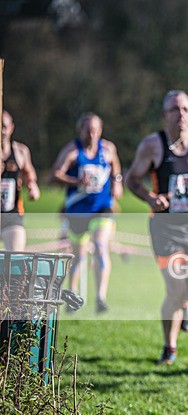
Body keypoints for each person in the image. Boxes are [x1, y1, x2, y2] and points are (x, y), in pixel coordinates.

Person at [125, 90, 188, 364]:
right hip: (165, 227)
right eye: (174, 109)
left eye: (185, 109)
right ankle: (169, 347)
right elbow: (132, 180)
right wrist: (150, 198)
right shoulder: (153, 145)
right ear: (165, 116)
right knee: (175, 289)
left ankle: (186, 307)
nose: (180, 114)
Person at [50, 112, 122, 312]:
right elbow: (55, 174)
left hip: (102, 208)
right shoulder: (73, 151)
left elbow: (115, 164)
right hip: (78, 210)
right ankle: (72, 295)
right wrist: (75, 181)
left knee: (100, 246)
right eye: (88, 130)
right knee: (78, 257)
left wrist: (117, 183)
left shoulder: (107, 149)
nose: (92, 135)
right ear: (80, 130)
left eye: (96, 130)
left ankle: (100, 297)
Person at [1, 111, 40, 251]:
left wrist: (32, 186)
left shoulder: (20, 151)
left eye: (4, 127)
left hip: (11, 214)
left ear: (11, 128)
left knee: (17, 258)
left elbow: (29, 172)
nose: (2, 131)